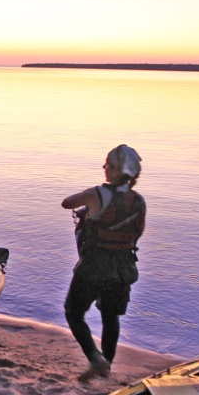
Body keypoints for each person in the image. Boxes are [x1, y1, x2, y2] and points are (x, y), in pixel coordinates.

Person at [62, 144, 146, 381]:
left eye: (108, 164)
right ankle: (106, 365)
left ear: (118, 170)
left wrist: (90, 205)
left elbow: (67, 202)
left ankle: (95, 358)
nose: (104, 167)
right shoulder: (139, 201)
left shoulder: (98, 194)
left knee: (73, 312)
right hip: (123, 269)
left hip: (93, 267)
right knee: (110, 317)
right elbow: (137, 233)